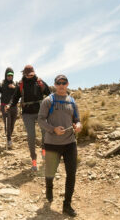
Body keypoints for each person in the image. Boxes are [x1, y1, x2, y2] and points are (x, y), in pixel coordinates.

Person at [38, 74, 81, 217]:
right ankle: (49, 188)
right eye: (59, 83)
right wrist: (53, 129)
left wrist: (78, 125)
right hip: (52, 143)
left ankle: (67, 204)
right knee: (50, 172)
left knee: (71, 174)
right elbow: (41, 120)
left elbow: (77, 119)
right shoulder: (48, 101)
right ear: (55, 85)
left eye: (64, 82)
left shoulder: (72, 101)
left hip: (70, 143)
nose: (62, 85)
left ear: (67, 84)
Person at [7, 65, 51, 171]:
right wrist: (9, 105)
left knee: (45, 132)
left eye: (32, 73)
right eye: (29, 74)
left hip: (40, 112)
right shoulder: (21, 84)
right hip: (27, 113)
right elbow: (15, 97)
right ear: (24, 74)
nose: (31, 76)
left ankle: (44, 149)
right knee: (31, 136)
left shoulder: (39, 81)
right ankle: (34, 160)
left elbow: (49, 93)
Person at [0, 67, 18, 149]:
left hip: (14, 107)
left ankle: (9, 137)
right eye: (8, 75)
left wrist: (14, 87)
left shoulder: (15, 83)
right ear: (6, 75)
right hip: (5, 106)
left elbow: (19, 93)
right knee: (8, 123)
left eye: (11, 75)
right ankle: (9, 140)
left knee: (12, 124)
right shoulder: (2, 84)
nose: (10, 77)